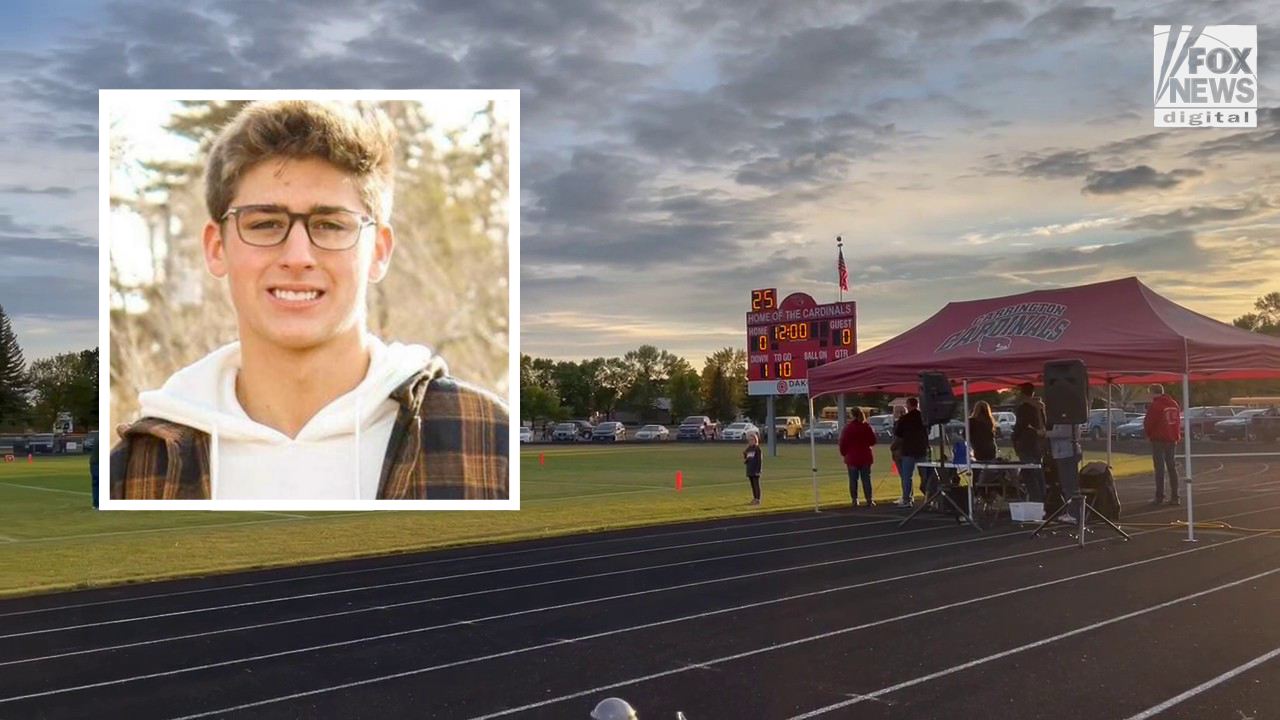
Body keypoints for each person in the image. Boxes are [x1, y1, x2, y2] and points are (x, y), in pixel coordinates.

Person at [110, 100, 508, 501]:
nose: (297, 256)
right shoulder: (136, 469)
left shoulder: (488, 441)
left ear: (379, 251)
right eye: (265, 224)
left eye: (331, 225)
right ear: (216, 248)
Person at [1143, 383, 1181, 505]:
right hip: (1172, 438)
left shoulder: (1155, 406)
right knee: (1172, 467)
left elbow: (1149, 422)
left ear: (1153, 392)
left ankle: (1160, 496)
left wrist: (1148, 434)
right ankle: (1175, 496)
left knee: (1159, 469)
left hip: (1159, 439)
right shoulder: (1174, 404)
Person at [1011, 382, 1048, 503]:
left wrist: (1014, 438)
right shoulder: (1040, 407)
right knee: (1038, 472)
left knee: (1029, 473)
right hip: (1038, 444)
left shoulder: (1024, 407)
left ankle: (1036, 501)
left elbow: (1021, 425)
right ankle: (1042, 499)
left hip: (1026, 444)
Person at [892, 397, 929, 508]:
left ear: (909, 405)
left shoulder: (904, 419)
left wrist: (893, 448)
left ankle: (907, 499)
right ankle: (929, 497)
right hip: (922, 449)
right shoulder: (924, 417)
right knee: (925, 476)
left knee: (907, 476)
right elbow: (928, 430)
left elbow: (899, 436)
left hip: (908, 450)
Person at [838, 406, 878, 507]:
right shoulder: (867, 427)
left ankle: (855, 499)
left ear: (852, 415)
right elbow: (873, 441)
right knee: (866, 479)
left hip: (852, 457)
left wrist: (844, 454)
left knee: (853, 480)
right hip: (865, 456)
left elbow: (843, 443)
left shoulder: (848, 428)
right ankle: (869, 499)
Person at [1045, 421, 1081, 523]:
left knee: (1070, 484)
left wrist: (1046, 433)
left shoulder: (1068, 417)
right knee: (1066, 483)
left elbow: (1065, 432)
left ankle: (1074, 513)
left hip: (1067, 453)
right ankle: (1071, 512)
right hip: (1062, 453)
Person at [967, 401, 998, 487]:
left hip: (979, 448)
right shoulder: (990, 422)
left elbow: (965, 435)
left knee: (977, 469)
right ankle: (987, 487)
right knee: (989, 470)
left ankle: (976, 488)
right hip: (991, 448)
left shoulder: (972, 421)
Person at [742, 432, 763, 505]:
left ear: (755, 440)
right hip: (750, 469)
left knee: (756, 484)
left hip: (755, 470)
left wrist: (758, 470)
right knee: (752, 485)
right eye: (750, 440)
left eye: (752, 440)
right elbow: (746, 460)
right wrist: (745, 458)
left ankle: (757, 499)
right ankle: (754, 498)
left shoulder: (757, 449)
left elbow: (759, 460)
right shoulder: (748, 449)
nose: (751, 441)